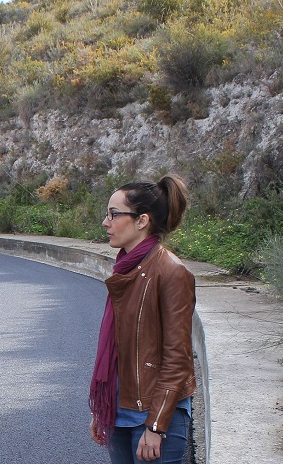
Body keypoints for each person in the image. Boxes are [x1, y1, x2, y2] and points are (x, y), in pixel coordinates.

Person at [88, 175, 196, 464]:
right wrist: (102, 411)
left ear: (142, 220)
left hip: (156, 414)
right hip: (119, 411)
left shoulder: (171, 272)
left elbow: (178, 358)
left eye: (114, 214)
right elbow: (116, 350)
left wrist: (156, 426)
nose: (106, 222)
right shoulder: (125, 268)